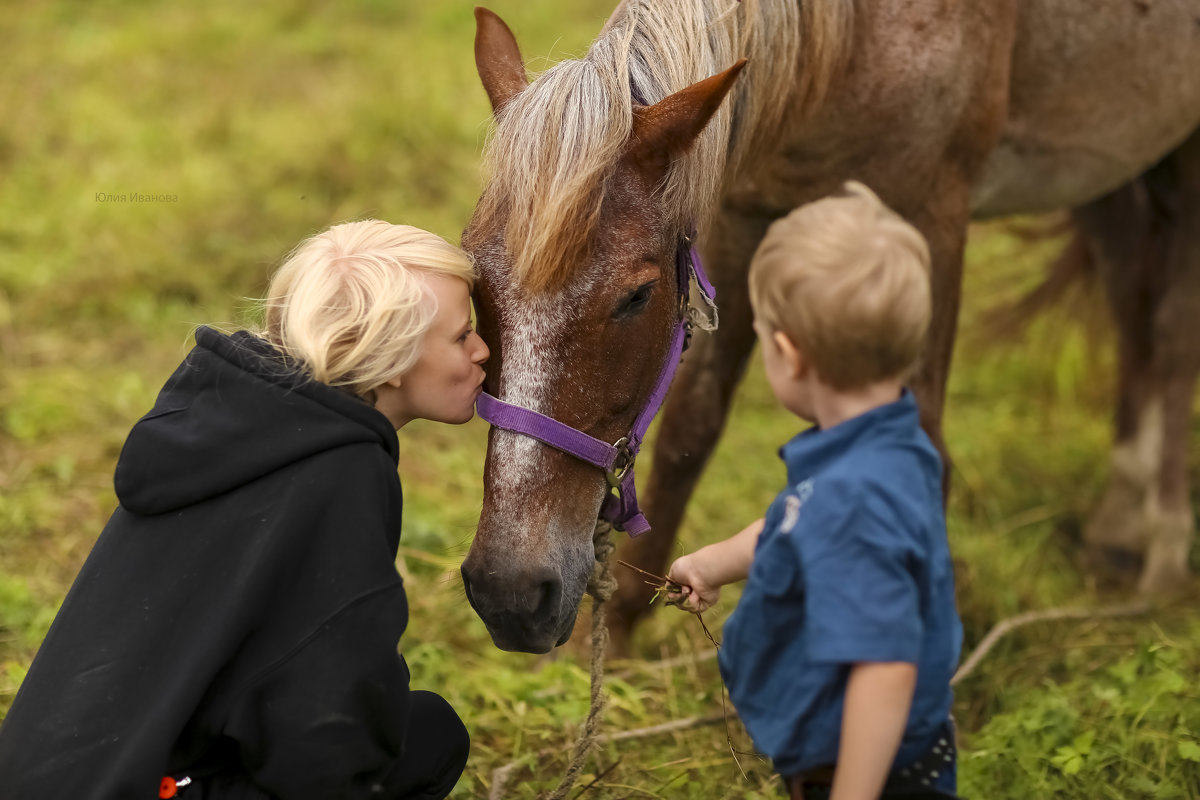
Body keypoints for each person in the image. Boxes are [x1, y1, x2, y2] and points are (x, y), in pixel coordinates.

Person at [0, 220, 489, 799]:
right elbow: (325, 728)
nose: (483, 350)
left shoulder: (229, 424)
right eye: (462, 336)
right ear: (392, 360)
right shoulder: (343, 470)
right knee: (429, 738)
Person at [666, 182, 963, 800]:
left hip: (865, 775)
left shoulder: (858, 500)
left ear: (787, 355)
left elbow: (882, 668)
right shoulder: (884, 444)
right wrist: (712, 562)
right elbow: (798, 517)